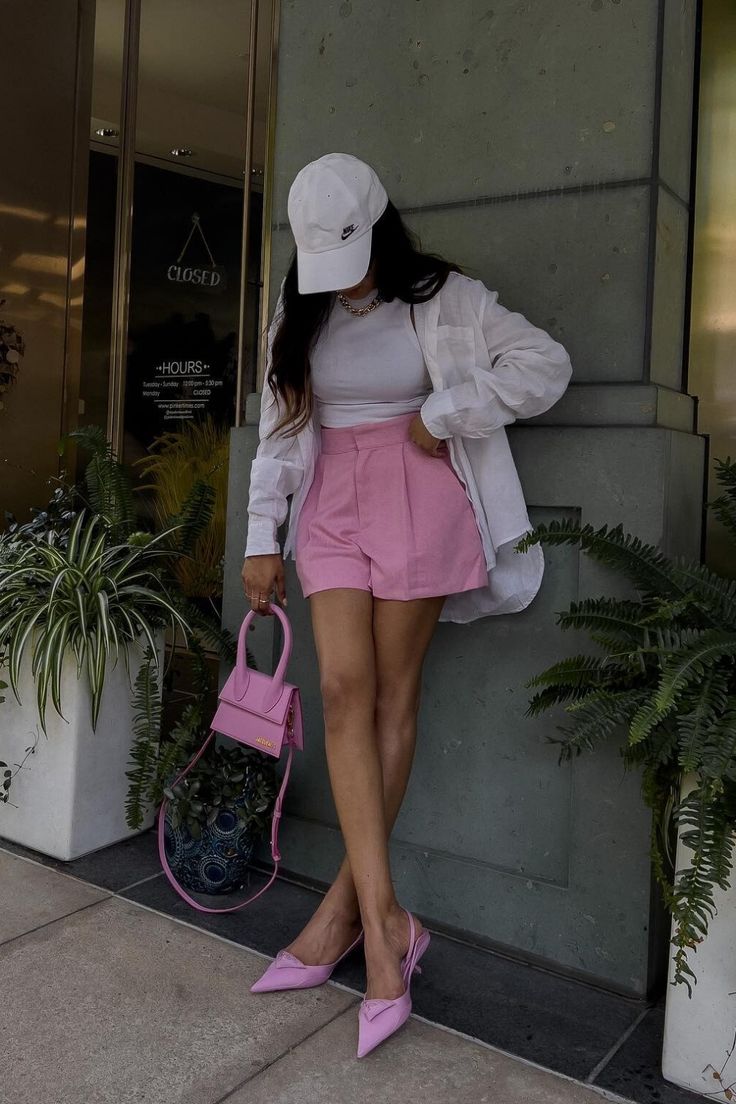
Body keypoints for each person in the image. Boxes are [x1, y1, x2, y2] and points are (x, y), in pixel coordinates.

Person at [241, 153, 573, 1057]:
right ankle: (387, 929)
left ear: (379, 231)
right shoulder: (299, 309)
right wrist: (259, 537)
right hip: (330, 506)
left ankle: (347, 915)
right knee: (343, 693)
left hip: (421, 495)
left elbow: (546, 365)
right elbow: (279, 427)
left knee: (391, 698)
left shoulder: (448, 297)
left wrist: (446, 411)